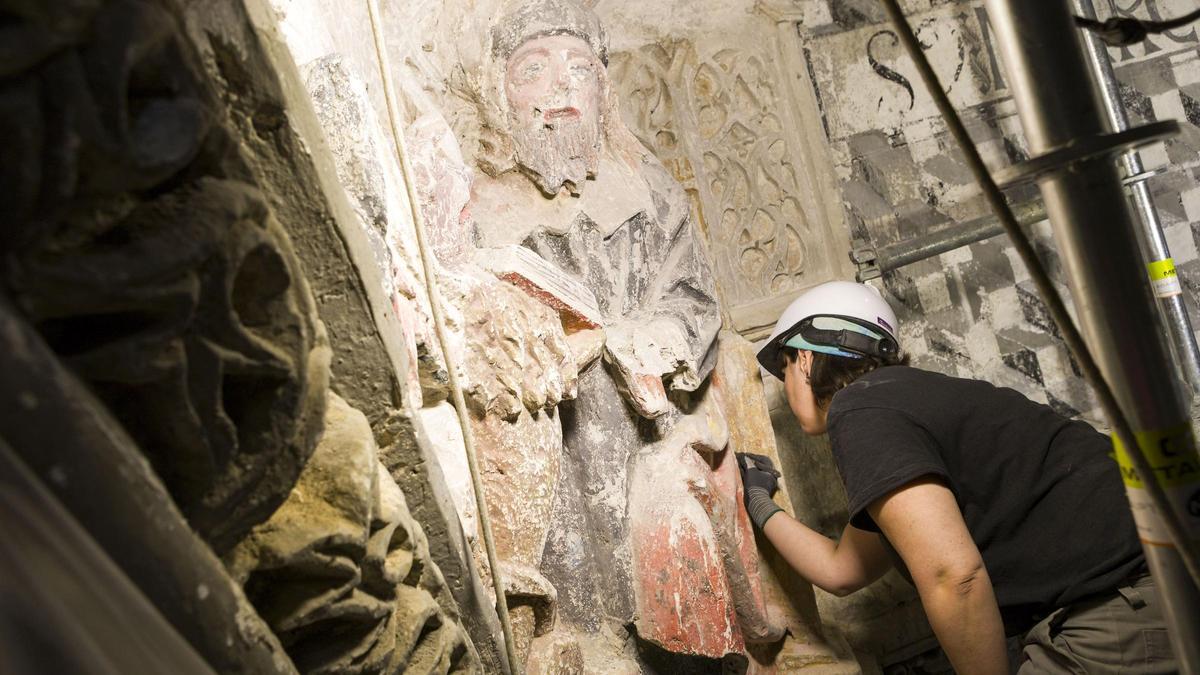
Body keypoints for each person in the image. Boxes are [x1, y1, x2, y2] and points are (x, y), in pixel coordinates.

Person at [742, 280, 1175, 673]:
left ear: (804, 357)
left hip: (1126, 602)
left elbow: (955, 577)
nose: (785, 385)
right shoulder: (908, 404)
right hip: (1160, 575)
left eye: (783, 372)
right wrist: (761, 503)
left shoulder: (860, 411)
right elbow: (844, 570)